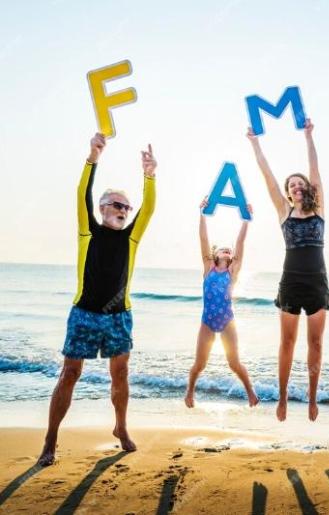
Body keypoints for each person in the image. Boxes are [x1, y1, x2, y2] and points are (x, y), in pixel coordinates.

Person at [38, 133, 157, 466]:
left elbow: (148, 209)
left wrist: (149, 176)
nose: (124, 210)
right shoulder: (88, 232)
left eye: (126, 206)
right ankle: (50, 441)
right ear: (103, 209)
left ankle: (120, 427)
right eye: (117, 205)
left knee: (120, 374)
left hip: (120, 315)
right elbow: (81, 193)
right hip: (84, 313)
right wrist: (93, 158)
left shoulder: (131, 237)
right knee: (70, 374)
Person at [247, 118, 328, 422]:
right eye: (291, 184)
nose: (296, 186)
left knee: (316, 343)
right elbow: (267, 175)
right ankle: (282, 397)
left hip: (318, 282)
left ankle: (311, 398)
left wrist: (309, 136)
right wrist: (255, 143)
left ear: (307, 188)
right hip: (291, 281)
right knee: (288, 342)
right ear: (288, 192)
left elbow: (315, 169)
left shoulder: (319, 208)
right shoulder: (284, 211)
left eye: (300, 182)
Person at [184, 197, 259, 408]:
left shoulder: (232, 272)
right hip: (207, 321)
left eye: (229, 250)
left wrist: (246, 219)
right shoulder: (208, 268)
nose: (227, 250)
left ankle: (251, 394)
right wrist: (202, 215)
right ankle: (189, 393)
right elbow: (203, 239)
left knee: (234, 363)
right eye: (222, 249)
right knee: (200, 364)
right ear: (214, 254)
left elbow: (240, 244)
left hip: (227, 321)